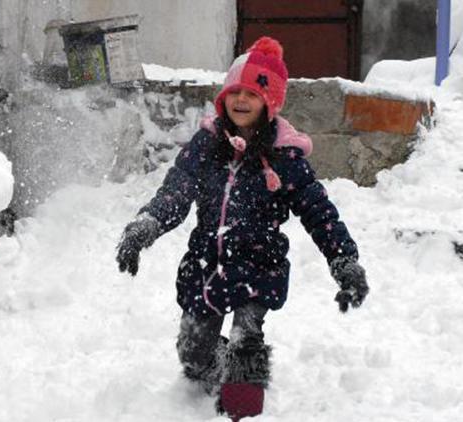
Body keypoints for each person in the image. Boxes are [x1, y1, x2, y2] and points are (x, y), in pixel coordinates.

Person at [115, 37, 369, 419]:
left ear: (270, 102)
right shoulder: (207, 144)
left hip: (258, 262)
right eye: (235, 91)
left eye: (252, 93)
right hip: (207, 261)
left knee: (246, 337)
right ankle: (218, 360)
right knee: (192, 353)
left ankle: (244, 401)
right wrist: (147, 225)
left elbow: (318, 211)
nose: (241, 100)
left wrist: (344, 260)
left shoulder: (284, 157)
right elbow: (177, 191)